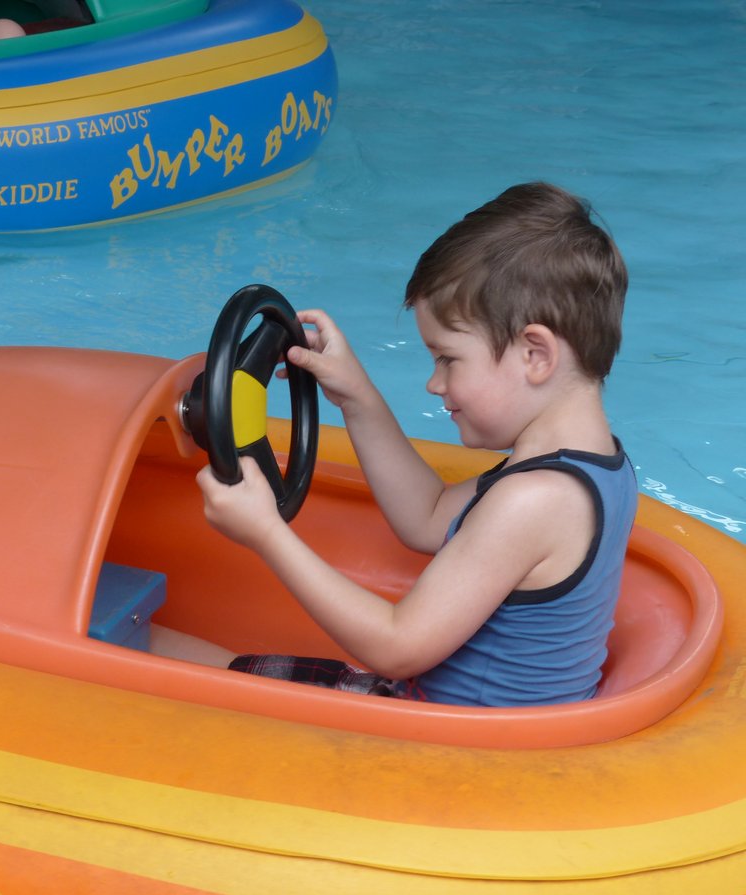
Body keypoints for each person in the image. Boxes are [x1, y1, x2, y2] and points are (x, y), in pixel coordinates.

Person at [153, 182, 635, 707]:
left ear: (535, 355)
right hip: (442, 719)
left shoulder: (536, 500)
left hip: (451, 750)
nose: (434, 383)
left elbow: (397, 646)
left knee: (169, 668)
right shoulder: (590, 466)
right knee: (186, 656)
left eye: (448, 359)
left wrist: (266, 532)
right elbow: (426, 516)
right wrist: (357, 396)